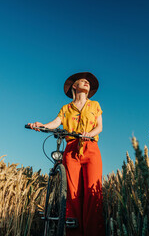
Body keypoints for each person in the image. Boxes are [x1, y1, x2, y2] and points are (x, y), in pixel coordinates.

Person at [29, 72, 105, 236]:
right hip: (71, 149)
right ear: (74, 86)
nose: (86, 82)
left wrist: (89, 134)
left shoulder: (95, 105)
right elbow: (56, 123)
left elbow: (99, 127)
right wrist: (42, 125)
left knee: (93, 193)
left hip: (91, 148)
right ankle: (74, 232)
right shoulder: (66, 109)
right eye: (82, 81)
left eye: (88, 82)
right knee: (72, 193)